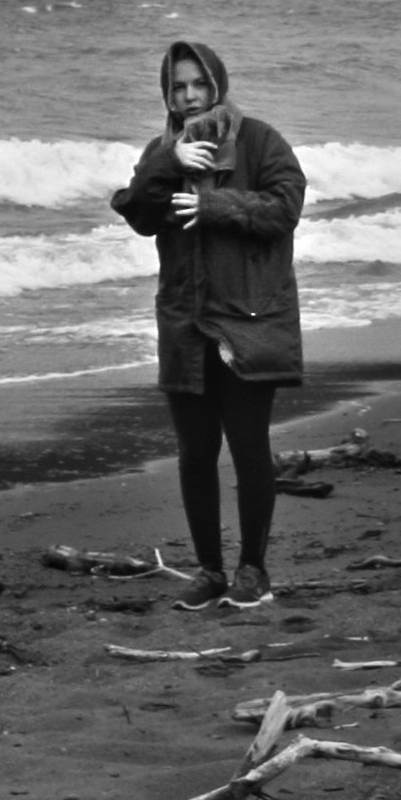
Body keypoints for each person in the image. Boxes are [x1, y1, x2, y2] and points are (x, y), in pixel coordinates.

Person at [110, 39, 306, 608]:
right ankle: (210, 572)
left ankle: (253, 571)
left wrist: (219, 206)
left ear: (217, 83)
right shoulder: (160, 151)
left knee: (248, 448)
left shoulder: (259, 140)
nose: (189, 95)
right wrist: (168, 164)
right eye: (178, 86)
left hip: (248, 319)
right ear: (167, 94)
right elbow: (139, 217)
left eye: (198, 83)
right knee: (195, 453)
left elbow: (286, 207)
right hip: (184, 323)